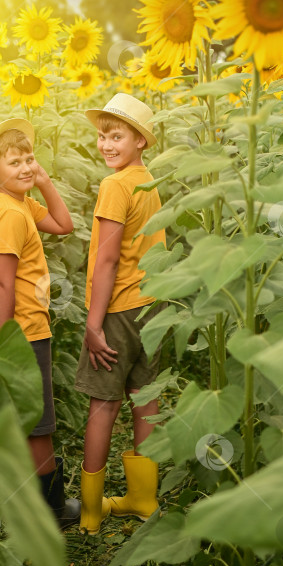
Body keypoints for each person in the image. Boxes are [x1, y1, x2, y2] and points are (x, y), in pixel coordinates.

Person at [0, 117, 80, 529]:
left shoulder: (12, 204)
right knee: (39, 427)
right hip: (22, 334)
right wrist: (9, 343)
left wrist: (45, 182)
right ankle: (52, 511)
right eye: (15, 162)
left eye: (30, 159)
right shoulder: (13, 216)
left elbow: (64, 225)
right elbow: (2, 284)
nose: (26, 168)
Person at [74, 93, 166, 535]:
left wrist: (94, 324)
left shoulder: (114, 186)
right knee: (145, 401)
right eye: (102, 136)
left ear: (140, 141)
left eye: (117, 136)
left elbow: (108, 260)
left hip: (119, 309)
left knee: (102, 407)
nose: (106, 144)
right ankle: (143, 500)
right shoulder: (147, 180)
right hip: (153, 305)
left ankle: (90, 513)